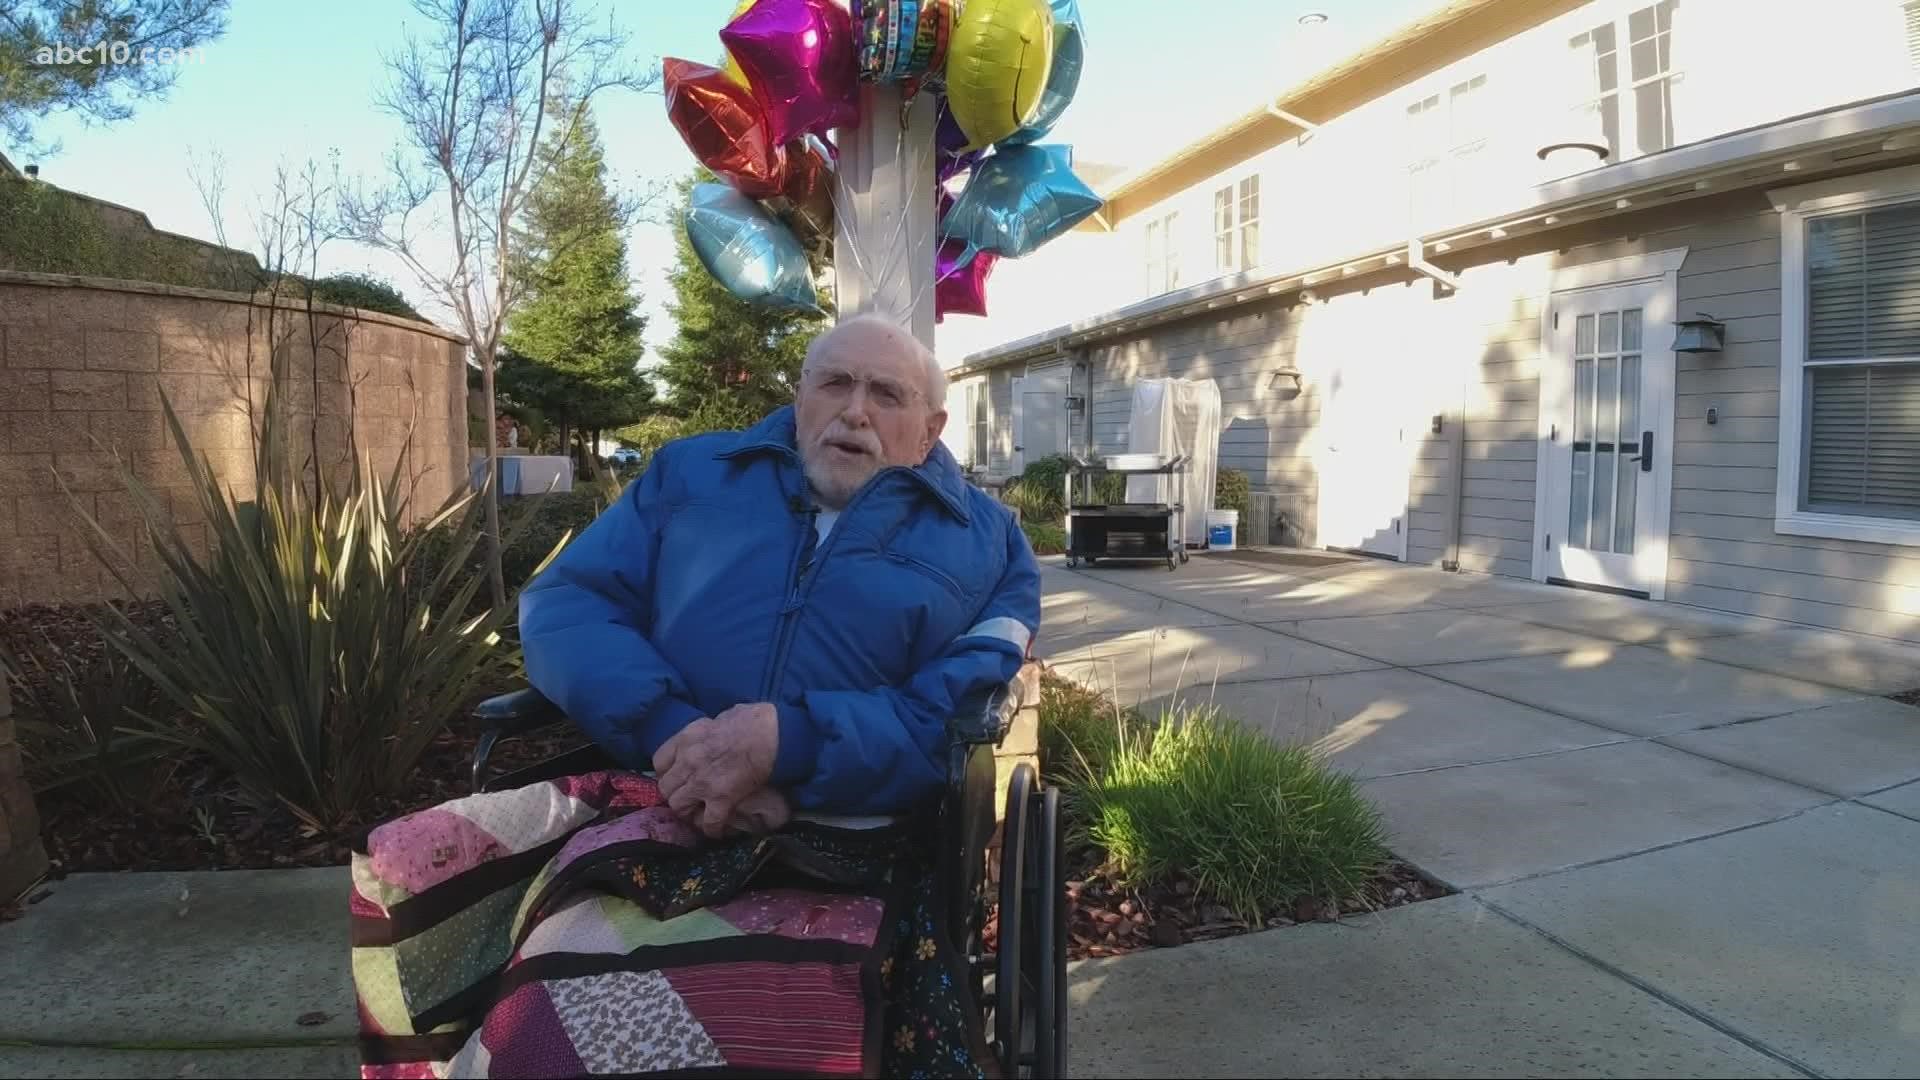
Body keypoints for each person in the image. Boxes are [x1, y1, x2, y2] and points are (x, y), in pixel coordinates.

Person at [517, 313, 1042, 836]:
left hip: (858, 834)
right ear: (799, 399)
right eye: (835, 383)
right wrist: (672, 733)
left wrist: (789, 749)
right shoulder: (688, 474)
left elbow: (952, 717)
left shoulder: (993, 543)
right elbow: (566, 605)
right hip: (653, 791)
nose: (855, 412)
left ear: (931, 429)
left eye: (887, 395)